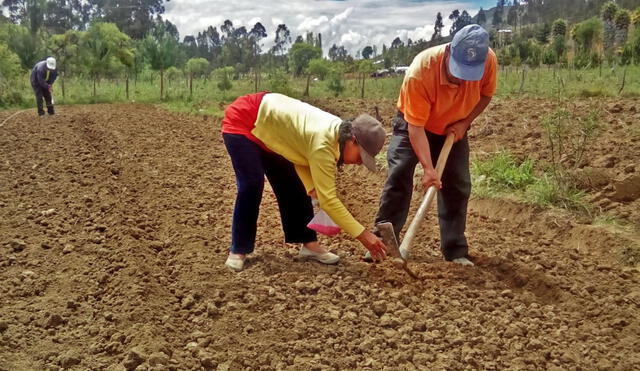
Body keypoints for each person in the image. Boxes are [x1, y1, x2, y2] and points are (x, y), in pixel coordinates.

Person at [371, 24, 498, 266]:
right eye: (458, 71)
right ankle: (382, 243)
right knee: (399, 173)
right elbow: (416, 128)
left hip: (454, 126)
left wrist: (465, 122)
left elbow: (486, 94)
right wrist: (429, 169)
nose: (461, 79)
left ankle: (455, 250)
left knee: (458, 184)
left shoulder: (488, 61)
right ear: (449, 51)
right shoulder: (422, 70)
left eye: (468, 74)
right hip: (415, 123)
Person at [221, 92, 388, 271]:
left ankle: (309, 245)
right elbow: (329, 201)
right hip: (245, 120)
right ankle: (238, 249)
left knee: (294, 185)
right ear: (352, 140)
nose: (359, 162)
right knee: (251, 185)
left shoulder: (335, 136)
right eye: (361, 156)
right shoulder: (323, 143)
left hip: (272, 129)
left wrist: (312, 188)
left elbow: (300, 154)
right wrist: (365, 236)